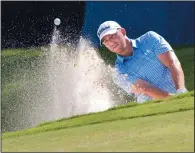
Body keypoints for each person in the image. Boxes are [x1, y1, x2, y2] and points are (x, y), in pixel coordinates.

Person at [97, 21, 188, 103]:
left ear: (123, 32)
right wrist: (174, 100)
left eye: (112, 36)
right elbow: (145, 88)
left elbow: (172, 63)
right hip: (155, 113)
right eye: (106, 41)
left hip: (180, 97)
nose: (111, 42)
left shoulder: (150, 39)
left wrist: (181, 92)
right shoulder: (118, 72)